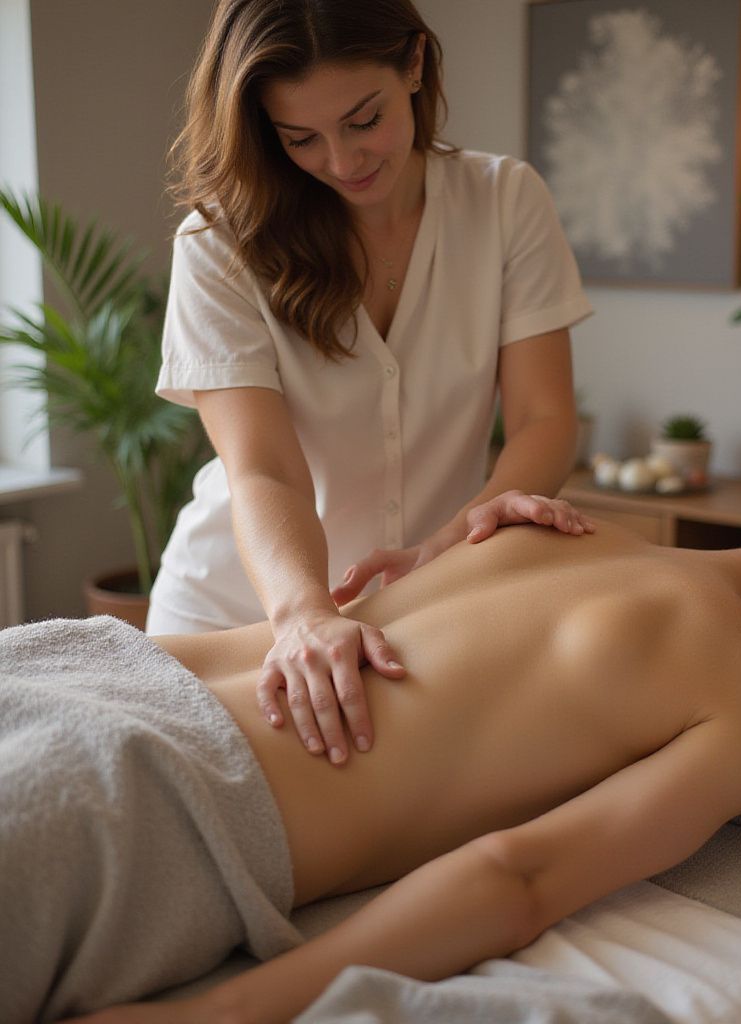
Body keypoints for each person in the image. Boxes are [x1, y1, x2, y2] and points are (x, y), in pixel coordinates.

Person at [3, 487, 741, 1023]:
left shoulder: (544, 518)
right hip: (154, 797)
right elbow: (519, 878)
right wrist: (227, 1016)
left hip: (79, 668)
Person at [146, 0, 594, 765]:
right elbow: (263, 467)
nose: (342, 160)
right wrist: (303, 616)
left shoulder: (504, 202)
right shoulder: (221, 241)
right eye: (301, 138)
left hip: (422, 610)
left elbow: (544, 420)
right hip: (234, 611)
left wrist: (455, 539)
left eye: (364, 119)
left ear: (414, 64)